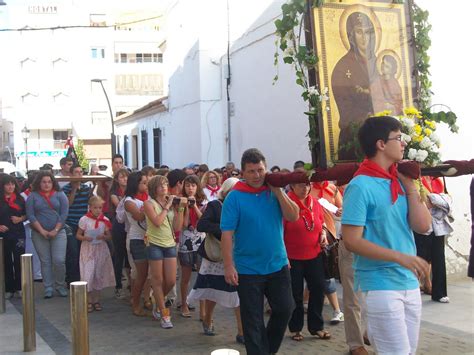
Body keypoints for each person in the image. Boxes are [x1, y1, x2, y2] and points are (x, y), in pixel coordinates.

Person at [341, 116, 431, 354]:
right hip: (380, 283)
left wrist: (411, 187)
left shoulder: (399, 181)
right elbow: (351, 240)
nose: (403, 144)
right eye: (398, 138)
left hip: (409, 282)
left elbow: (423, 226)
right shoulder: (360, 186)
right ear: (381, 144)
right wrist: (400, 257)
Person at [221, 148, 299, 355]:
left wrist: (278, 191)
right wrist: (229, 266)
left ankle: (266, 351)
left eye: (260, 170)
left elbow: (293, 216)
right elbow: (227, 234)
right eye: (252, 171)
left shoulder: (274, 192)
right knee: (252, 320)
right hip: (248, 269)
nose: (257, 175)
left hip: (277, 264)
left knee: (285, 309)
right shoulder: (234, 197)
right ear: (243, 173)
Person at [187, 177, 244, 343]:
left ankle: (241, 331)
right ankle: (207, 319)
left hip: (235, 254)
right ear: (226, 191)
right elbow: (202, 225)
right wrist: (225, 230)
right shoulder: (215, 205)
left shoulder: (242, 205)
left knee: (237, 291)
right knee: (212, 290)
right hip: (216, 255)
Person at [284, 181, 330, 342]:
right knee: (295, 293)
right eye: (300, 185)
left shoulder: (314, 202)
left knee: (318, 288)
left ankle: (316, 327)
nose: (305, 189)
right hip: (292, 257)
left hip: (314, 253)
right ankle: (295, 328)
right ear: (292, 186)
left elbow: (321, 222)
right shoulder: (286, 203)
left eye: (307, 185)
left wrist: (323, 234)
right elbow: (279, 230)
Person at [331, 12, 380, 160]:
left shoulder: (382, 64)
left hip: (382, 138)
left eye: (368, 32)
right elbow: (346, 111)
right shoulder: (342, 67)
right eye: (359, 32)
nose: (364, 37)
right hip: (355, 141)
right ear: (351, 36)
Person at [143, 175, 186, 329]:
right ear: (154, 188)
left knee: (171, 280)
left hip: (169, 243)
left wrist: (180, 208)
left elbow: (177, 227)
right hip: (154, 243)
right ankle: (164, 313)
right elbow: (157, 221)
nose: (164, 187)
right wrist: (168, 205)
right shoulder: (149, 203)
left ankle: (157, 297)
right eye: (160, 185)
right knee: (158, 279)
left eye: (166, 184)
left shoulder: (171, 203)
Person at [26, 171, 69, 298]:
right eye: (44, 182)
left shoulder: (60, 194)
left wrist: (55, 230)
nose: (46, 184)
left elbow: (64, 213)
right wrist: (41, 230)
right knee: (45, 261)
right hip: (39, 233)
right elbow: (30, 215)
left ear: (53, 182)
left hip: (59, 232)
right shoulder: (32, 196)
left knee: (59, 260)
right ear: (39, 182)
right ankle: (48, 287)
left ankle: (60, 285)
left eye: (49, 182)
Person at [414, 176, 452, 303]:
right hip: (422, 223)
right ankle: (412, 289)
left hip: (438, 224)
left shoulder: (437, 180)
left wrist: (436, 201)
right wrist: (437, 201)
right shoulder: (416, 180)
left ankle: (439, 293)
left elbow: (447, 199)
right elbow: (424, 201)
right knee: (420, 257)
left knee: (439, 258)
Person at [76, 196, 115, 312]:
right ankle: (88, 300)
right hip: (88, 249)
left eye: (100, 208)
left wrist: (104, 236)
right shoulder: (84, 220)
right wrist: (84, 238)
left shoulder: (105, 220)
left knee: (98, 274)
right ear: (90, 208)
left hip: (100, 249)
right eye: (95, 208)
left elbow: (109, 236)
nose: (98, 210)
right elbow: (78, 235)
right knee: (88, 274)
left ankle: (96, 300)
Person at [178, 175, 207, 319]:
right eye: (188, 185)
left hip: (201, 242)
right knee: (185, 277)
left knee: (202, 276)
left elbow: (204, 220)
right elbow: (184, 224)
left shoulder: (205, 202)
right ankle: (184, 304)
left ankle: (203, 310)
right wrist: (186, 207)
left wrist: (194, 205)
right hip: (185, 244)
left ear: (198, 187)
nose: (190, 188)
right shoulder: (180, 202)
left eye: (193, 185)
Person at [124, 171, 149, 316]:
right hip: (137, 239)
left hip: (150, 238)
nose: (146, 185)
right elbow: (139, 216)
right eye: (143, 183)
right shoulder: (129, 201)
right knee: (141, 274)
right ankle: (135, 302)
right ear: (135, 184)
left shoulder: (147, 198)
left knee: (150, 275)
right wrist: (150, 206)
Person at [63, 164, 92, 284]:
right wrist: (74, 189)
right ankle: (71, 279)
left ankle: (83, 278)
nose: (79, 175)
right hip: (70, 224)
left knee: (83, 252)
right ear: (71, 174)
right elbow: (68, 204)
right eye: (76, 172)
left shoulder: (86, 188)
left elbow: (92, 202)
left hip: (83, 225)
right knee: (73, 252)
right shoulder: (65, 189)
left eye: (81, 172)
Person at [0, 174, 27, 298]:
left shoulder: (20, 199)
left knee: (19, 259)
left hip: (18, 233)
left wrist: (20, 218)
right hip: (3, 235)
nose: (10, 186)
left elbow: (27, 214)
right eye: (7, 184)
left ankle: (19, 287)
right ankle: (9, 288)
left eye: (12, 184)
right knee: (6, 260)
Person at [109, 168, 130, 299]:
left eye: (126, 177)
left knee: (129, 255)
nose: (124, 179)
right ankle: (118, 285)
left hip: (129, 225)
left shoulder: (131, 192)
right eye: (121, 177)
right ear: (117, 179)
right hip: (118, 225)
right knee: (119, 255)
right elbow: (119, 206)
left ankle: (130, 283)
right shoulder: (114, 192)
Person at [21, 171, 42, 281]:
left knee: (39, 250)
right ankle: (30, 272)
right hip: (27, 227)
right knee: (29, 250)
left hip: (40, 226)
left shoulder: (40, 195)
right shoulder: (23, 196)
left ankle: (38, 273)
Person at [97, 154, 124, 218]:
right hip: (107, 210)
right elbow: (100, 195)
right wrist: (99, 183)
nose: (118, 165)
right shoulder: (106, 178)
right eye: (116, 163)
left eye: (120, 163)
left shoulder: (126, 178)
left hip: (121, 210)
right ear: (112, 165)